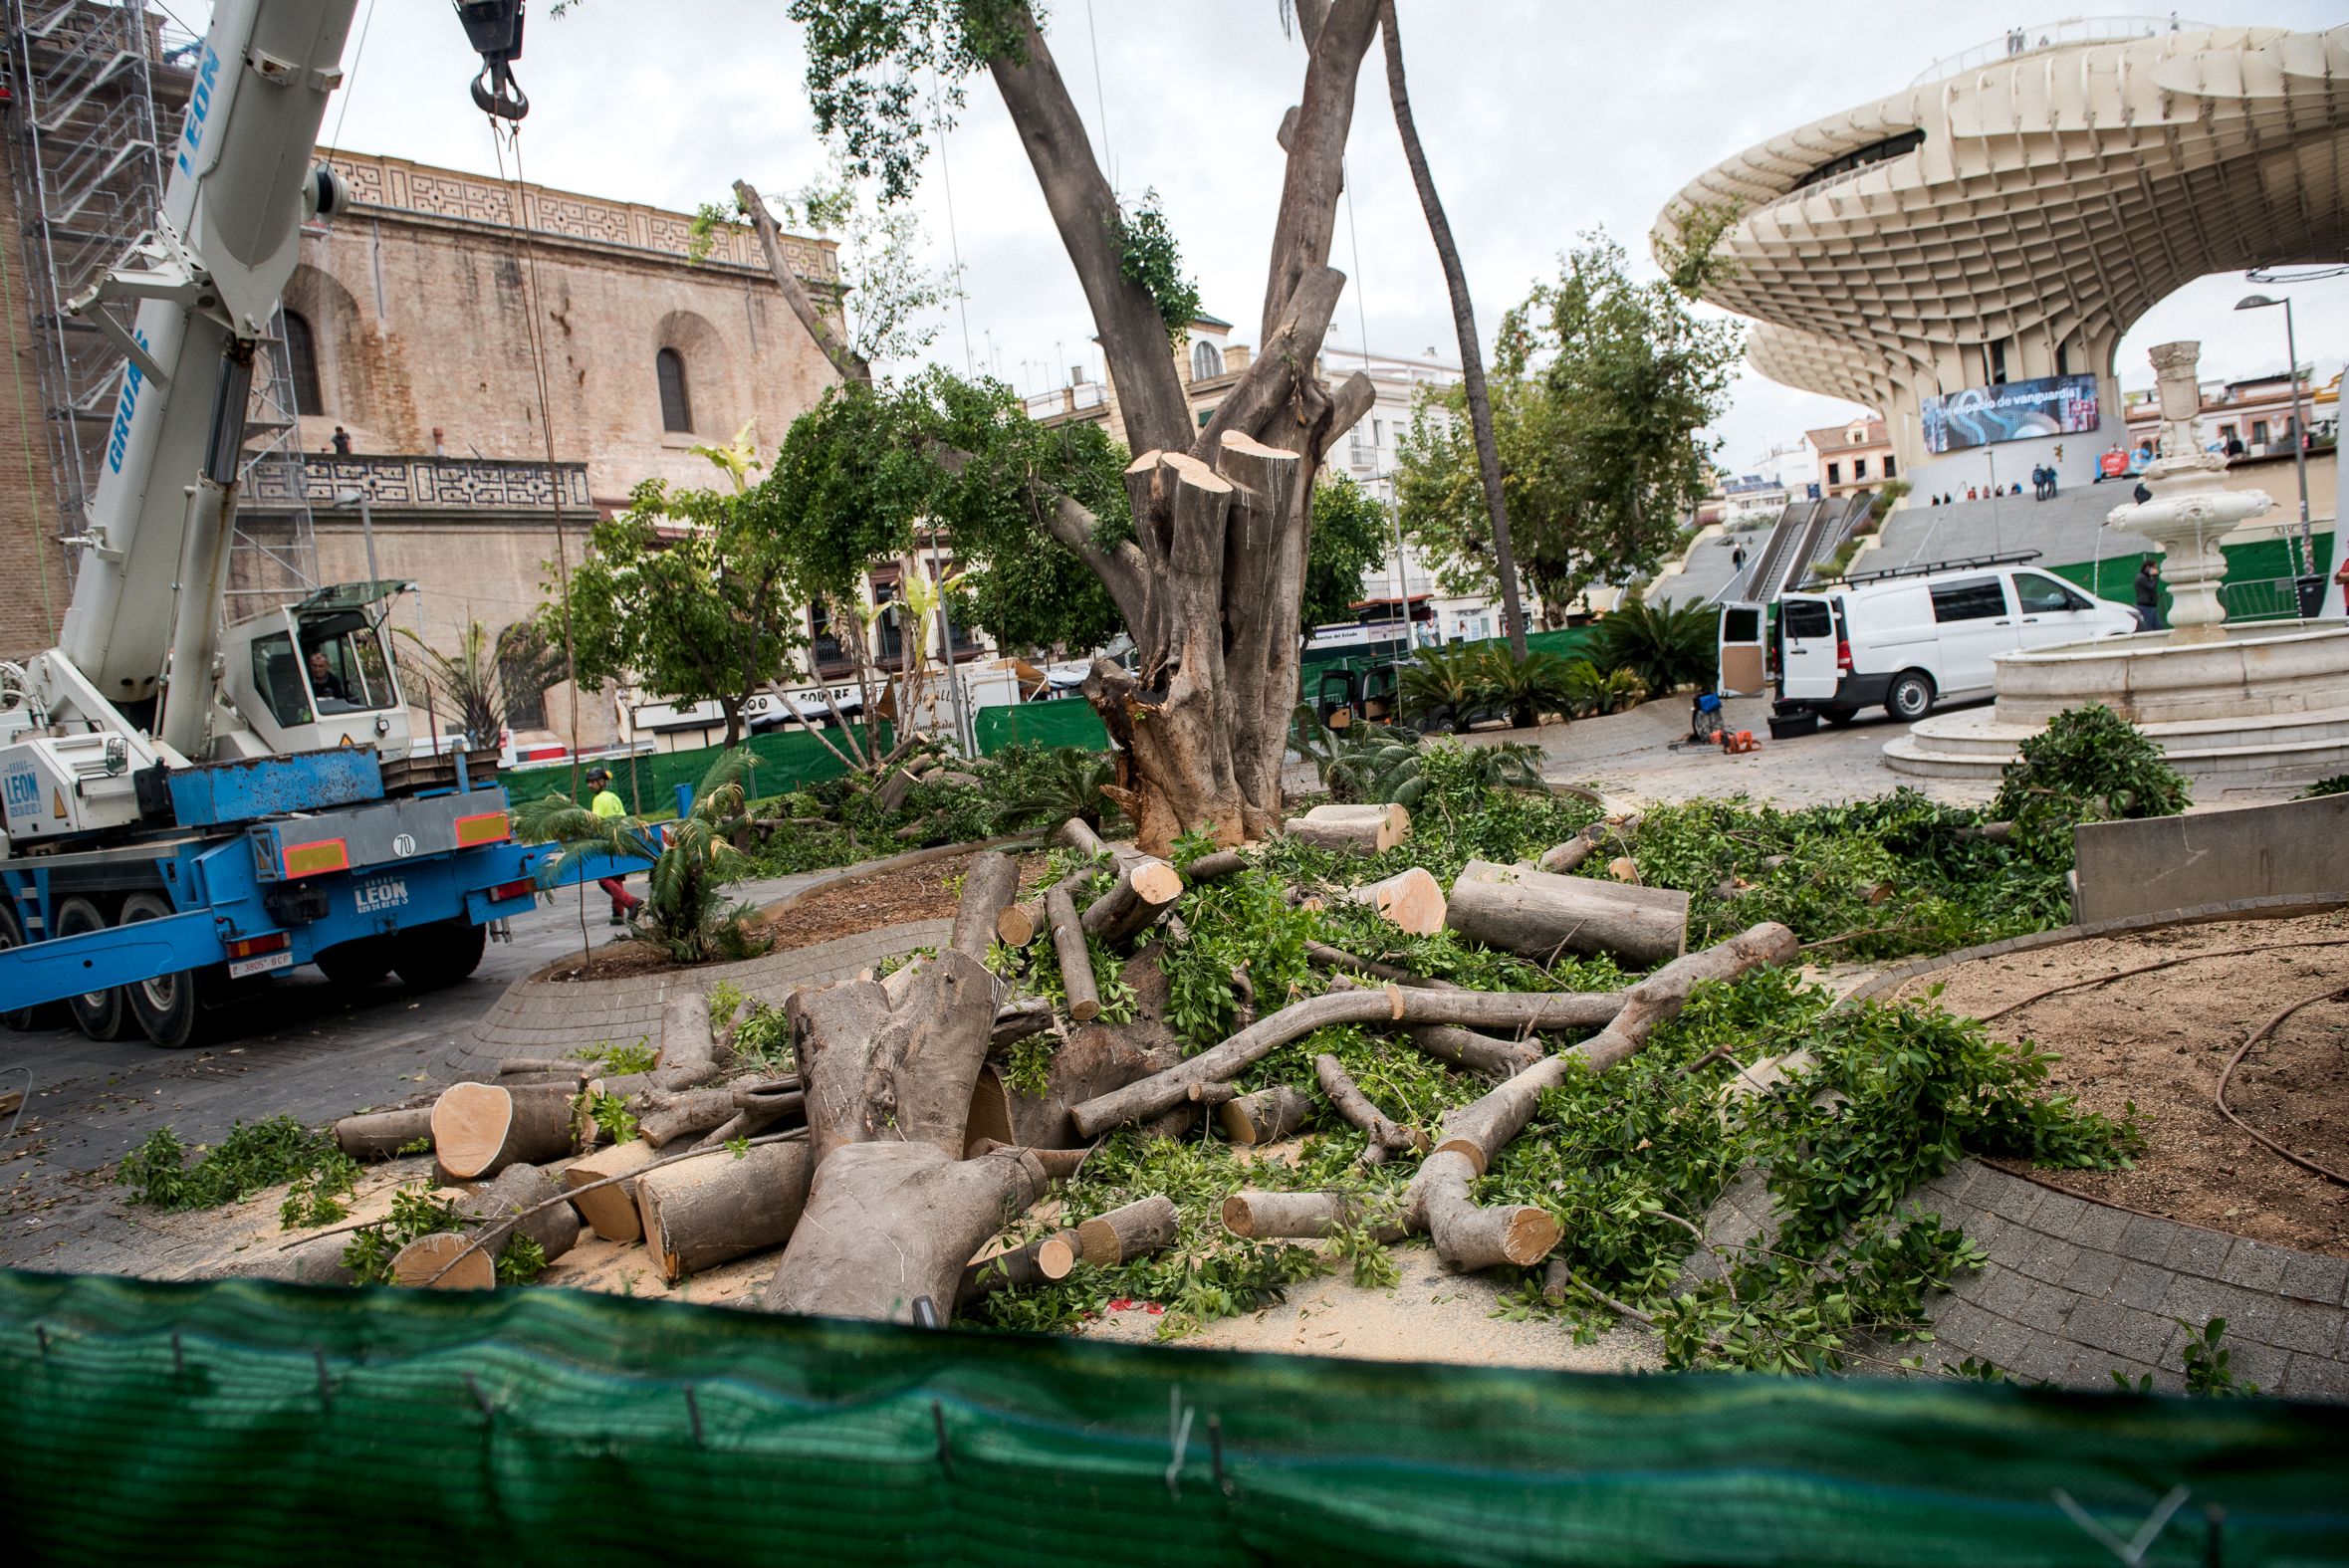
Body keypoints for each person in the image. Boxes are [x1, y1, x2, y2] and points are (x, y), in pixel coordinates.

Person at [586, 766, 644, 927]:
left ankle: (631, 902)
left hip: (608, 840)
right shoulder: (613, 796)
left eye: (593, 782)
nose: (590, 785)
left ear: (602, 781)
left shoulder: (599, 799)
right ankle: (617, 914)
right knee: (615, 877)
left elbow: (596, 821)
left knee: (604, 879)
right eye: (588, 782)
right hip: (622, 837)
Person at [2135, 558, 2165, 631]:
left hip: (2150, 605)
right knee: (2147, 626)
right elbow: (2151, 587)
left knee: (2158, 626)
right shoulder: (2141, 578)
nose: (2156, 569)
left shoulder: (2145, 577)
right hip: (2146, 606)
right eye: (2154, 567)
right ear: (2148, 568)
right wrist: (2155, 577)